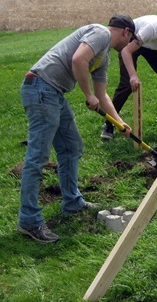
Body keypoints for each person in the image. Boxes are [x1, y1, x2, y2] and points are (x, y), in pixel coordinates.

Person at [18, 15, 135, 243]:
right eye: (131, 39)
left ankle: (72, 202)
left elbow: (102, 95)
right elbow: (78, 59)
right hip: (41, 88)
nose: (129, 44)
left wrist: (118, 122)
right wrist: (87, 94)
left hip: (54, 93)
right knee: (38, 156)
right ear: (126, 32)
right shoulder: (100, 32)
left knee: (72, 147)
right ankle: (29, 221)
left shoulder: (104, 57)